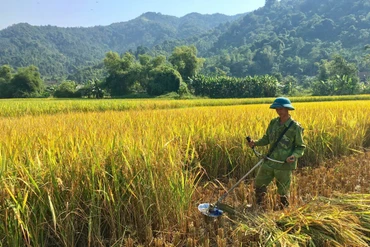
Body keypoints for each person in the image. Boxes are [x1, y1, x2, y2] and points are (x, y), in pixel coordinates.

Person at [248, 97, 306, 210]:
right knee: (259, 182)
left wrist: (294, 156)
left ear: (287, 109)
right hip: (270, 161)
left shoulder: (295, 127)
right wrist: (255, 143)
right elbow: (266, 139)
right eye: (277, 108)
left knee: (283, 190)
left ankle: (283, 209)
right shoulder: (273, 123)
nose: (278, 111)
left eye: (281, 108)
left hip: (284, 164)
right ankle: (260, 205)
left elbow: (300, 147)